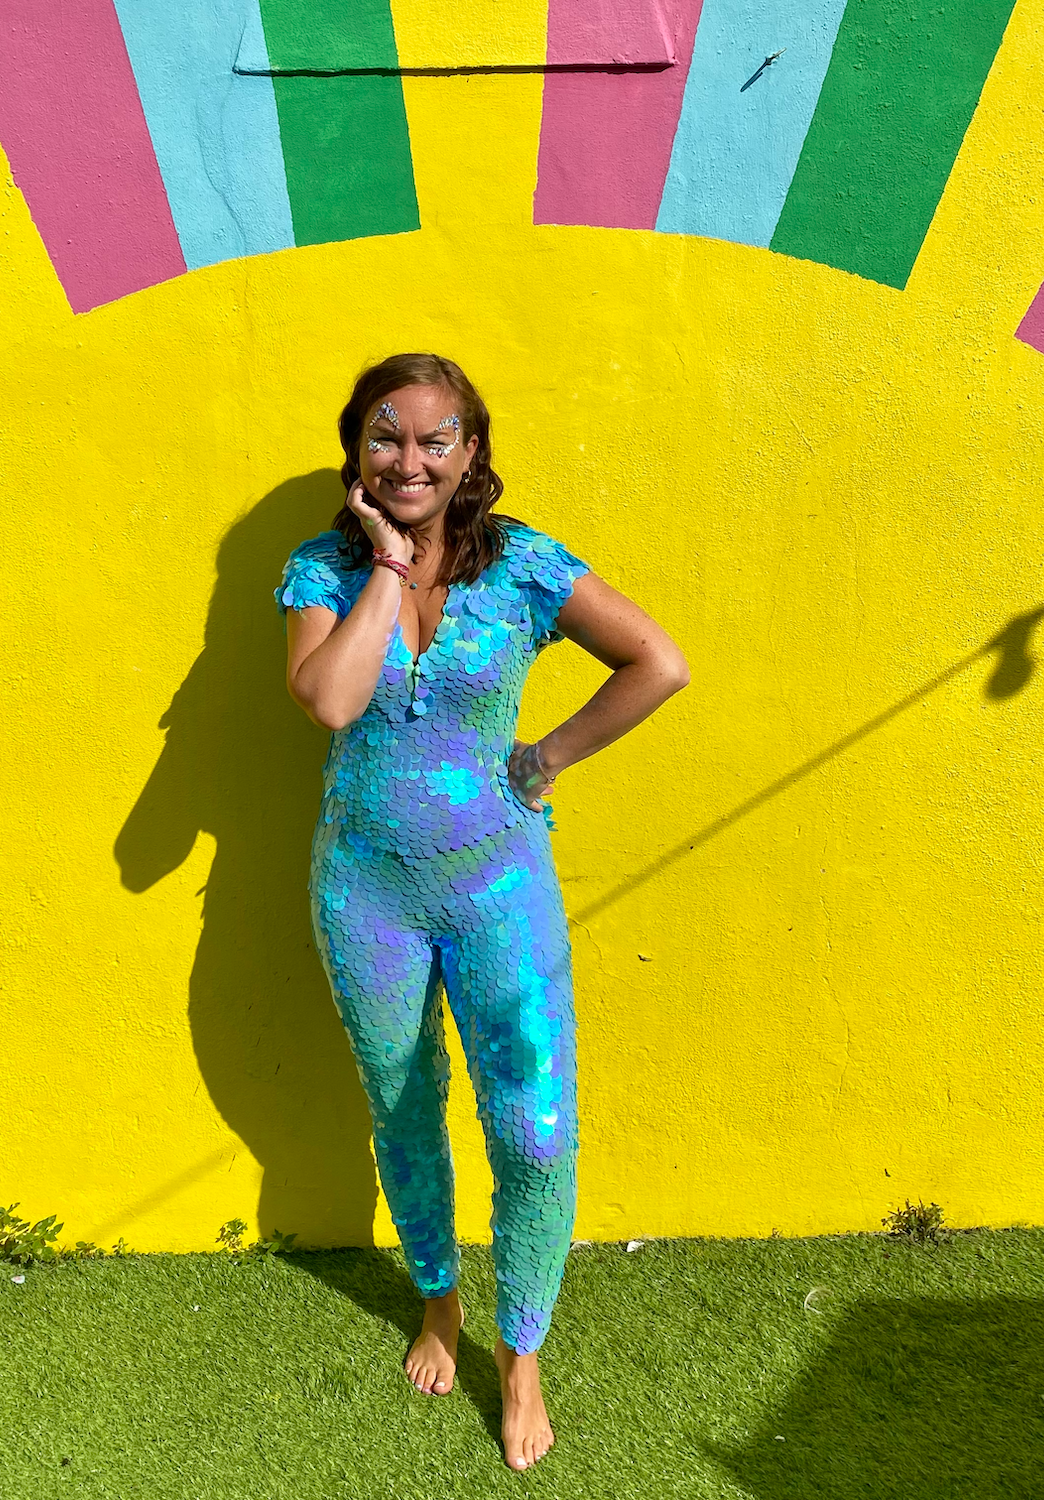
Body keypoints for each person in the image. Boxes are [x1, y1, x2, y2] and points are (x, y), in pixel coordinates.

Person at [275, 353, 689, 1470]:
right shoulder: (319, 570)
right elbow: (330, 700)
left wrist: (547, 757)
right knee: (406, 1109)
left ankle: (526, 1357)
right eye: (386, 436)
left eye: (434, 440)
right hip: (365, 893)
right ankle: (439, 1303)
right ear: (357, 450)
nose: (409, 459)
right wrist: (387, 566)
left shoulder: (526, 568)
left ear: (472, 455)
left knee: (534, 1125)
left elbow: (659, 661)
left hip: (499, 887)